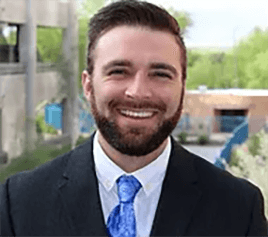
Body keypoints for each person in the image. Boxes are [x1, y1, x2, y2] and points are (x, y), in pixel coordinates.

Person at [0, 0, 267, 236]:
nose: (138, 92)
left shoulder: (239, 208)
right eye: (118, 71)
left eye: (160, 74)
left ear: (183, 87)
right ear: (88, 85)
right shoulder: (19, 203)